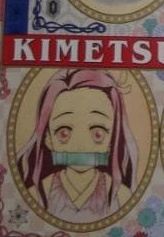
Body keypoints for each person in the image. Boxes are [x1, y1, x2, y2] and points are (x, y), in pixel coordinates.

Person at [17, 68, 137, 223]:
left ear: (112, 139)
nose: (81, 145)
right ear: (48, 138)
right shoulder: (38, 194)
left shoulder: (122, 196)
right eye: (64, 132)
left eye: (98, 133)